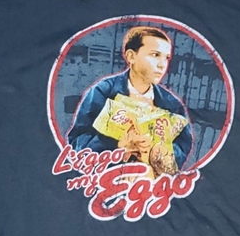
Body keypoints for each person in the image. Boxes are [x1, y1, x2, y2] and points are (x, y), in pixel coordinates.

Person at [66, 26, 193, 173]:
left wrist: (157, 153)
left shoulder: (172, 104)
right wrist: (118, 145)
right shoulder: (103, 92)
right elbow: (77, 142)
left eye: (166, 57)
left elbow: (183, 147)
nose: (162, 64)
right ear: (131, 56)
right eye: (155, 55)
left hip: (152, 182)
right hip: (107, 178)